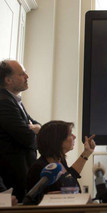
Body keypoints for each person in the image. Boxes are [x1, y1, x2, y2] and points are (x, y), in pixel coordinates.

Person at [0, 59, 41, 202]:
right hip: (12, 184)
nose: (27, 76)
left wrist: (37, 129)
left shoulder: (15, 101)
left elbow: (38, 126)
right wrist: (35, 131)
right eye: (21, 74)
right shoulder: (4, 102)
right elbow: (28, 138)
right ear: (8, 80)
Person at [26, 120, 95, 204]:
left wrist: (86, 153)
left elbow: (71, 176)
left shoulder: (60, 161)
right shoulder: (38, 167)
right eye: (70, 134)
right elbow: (32, 201)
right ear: (58, 140)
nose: (74, 136)